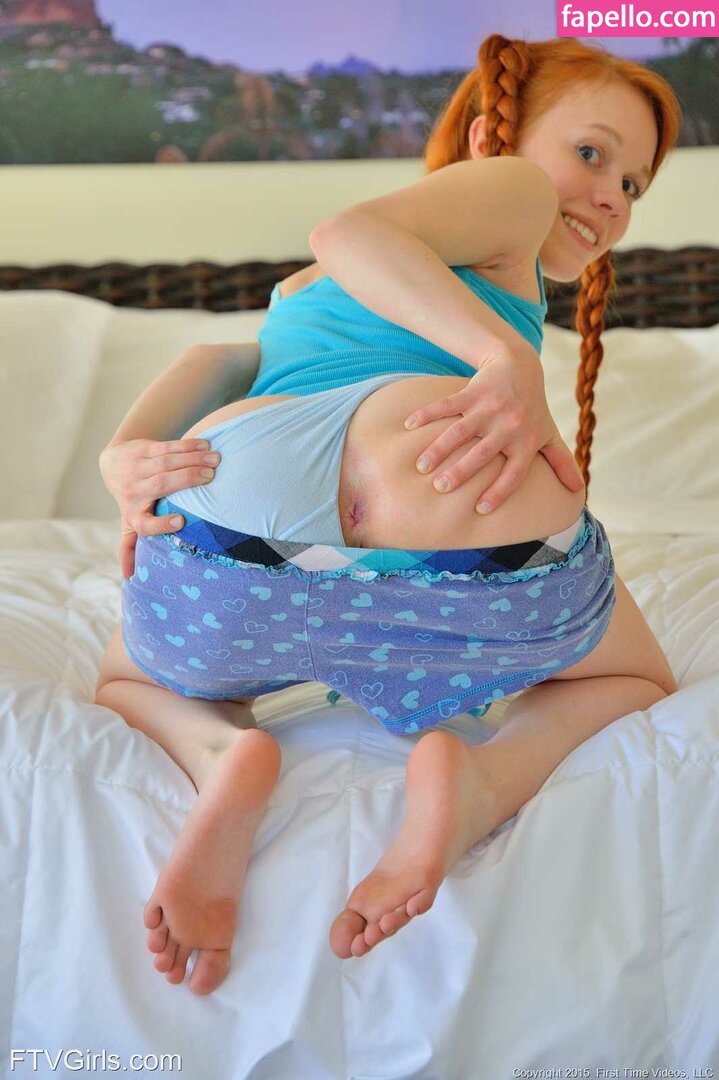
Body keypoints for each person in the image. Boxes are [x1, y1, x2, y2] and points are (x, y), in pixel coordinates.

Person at [94, 34, 682, 996]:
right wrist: (505, 357)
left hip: (237, 508)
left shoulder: (302, 297)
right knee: (633, 675)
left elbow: (216, 362)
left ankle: (223, 752)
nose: (612, 197)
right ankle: (478, 781)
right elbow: (348, 232)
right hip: (455, 509)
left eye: (634, 184)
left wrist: (124, 452)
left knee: (129, 678)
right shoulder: (511, 194)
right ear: (492, 138)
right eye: (590, 152)